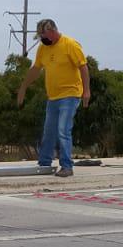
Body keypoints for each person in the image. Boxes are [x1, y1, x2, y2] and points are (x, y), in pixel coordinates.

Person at [15, 19, 89, 176]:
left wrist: (86, 91)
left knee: (63, 129)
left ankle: (67, 166)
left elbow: (83, 67)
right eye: (40, 36)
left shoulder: (70, 45)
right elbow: (35, 69)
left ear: (53, 31)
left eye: (44, 35)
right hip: (53, 97)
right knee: (48, 131)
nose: (42, 39)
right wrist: (23, 87)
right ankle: (44, 163)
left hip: (70, 94)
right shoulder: (43, 49)